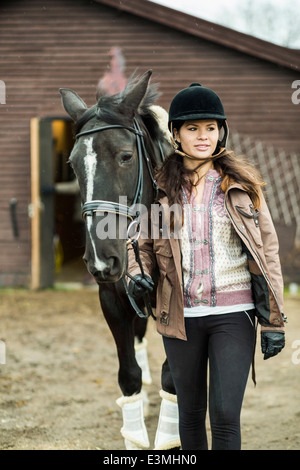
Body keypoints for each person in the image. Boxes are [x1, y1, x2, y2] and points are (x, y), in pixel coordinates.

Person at [127, 83, 286, 450]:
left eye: (210, 128)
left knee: (226, 416)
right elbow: (142, 245)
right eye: (193, 128)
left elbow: (269, 252)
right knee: (191, 414)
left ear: (221, 131)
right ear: (176, 134)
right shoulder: (159, 189)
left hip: (235, 313)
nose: (203, 136)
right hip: (182, 315)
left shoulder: (242, 186)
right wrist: (137, 273)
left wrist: (273, 320)